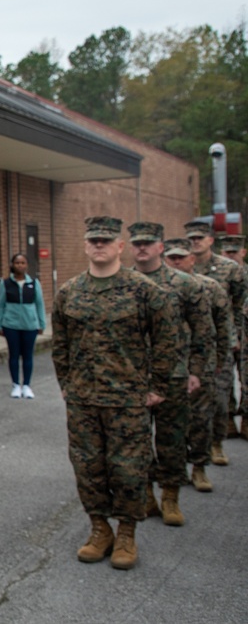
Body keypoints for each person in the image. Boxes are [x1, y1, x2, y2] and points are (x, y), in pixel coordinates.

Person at [51, 216, 178, 571]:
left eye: (107, 241)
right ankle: (99, 528)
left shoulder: (144, 290)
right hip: (83, 400)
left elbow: (168, 340)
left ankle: (126, 532)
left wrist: (158, 388)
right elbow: (60, 344)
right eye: (94, 241)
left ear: (120, 246)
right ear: (86, 245)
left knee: (128, 469)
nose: (99, 246)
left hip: (127, 400)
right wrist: (66, 385)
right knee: (88, 467)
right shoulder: (70, 292)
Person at [128, 223, 214, 526]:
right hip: (133, 377)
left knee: (172, 440)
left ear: (160, 247)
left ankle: (171, 496)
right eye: (137, 243)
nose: (142, 248)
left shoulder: (186, 285)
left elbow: (204, 333)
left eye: (148, 243)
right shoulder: (122, 283)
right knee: (135, 442)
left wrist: (197, 371)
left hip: (174, 375)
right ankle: (147, 495)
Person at [164, 237, 233, 493]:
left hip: (201, 362)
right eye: (172, 258)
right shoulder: (156, 287)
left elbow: (221, 327)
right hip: (167, 365)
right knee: (169, 421)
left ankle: (199, 467)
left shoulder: (210, 287)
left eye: (181, 257)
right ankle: (173, 468)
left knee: (201, 417)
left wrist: (220, 357)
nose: (176, 261)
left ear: (192, 259)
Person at [186, 220, 247, 466]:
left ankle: (216, 443)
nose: (195, 242)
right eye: (191, 238)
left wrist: (233, 336)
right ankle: (195, 446)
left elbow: (237, 305)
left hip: (217, 342)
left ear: (211, 240)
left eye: (200, 238)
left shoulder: (229, 269)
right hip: (188, 344)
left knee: (219, 397)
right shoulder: (180, 266)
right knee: (192, 400)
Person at [0, 253, 45, 399]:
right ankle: (16, 384)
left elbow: (40, 304)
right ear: (12, 265)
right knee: (14, 355)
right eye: (17, 263)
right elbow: (0, 305)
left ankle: (27, 385)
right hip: (11, 325)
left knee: (28, 355)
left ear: (27, 265)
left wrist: (41, 323)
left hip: (30, 325)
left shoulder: (34, 283)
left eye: (23, 263)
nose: (20, 265)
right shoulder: (5, 284)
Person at [219, 234, 248, 441]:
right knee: (225, 377)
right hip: (226, 334)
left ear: (243, 252)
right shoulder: (219, 273)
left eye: (234, 252)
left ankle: (246, 416)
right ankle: (228, 417)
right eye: (226, 252)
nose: (230, 256)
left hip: (244, 331)